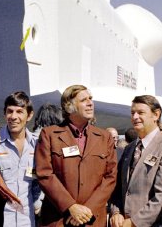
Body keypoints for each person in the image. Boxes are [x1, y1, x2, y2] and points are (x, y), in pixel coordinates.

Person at [36, 85, 117, 227]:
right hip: (59, 219)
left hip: (93, 219)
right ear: (69, 107)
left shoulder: (105, 137)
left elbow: (110, 177)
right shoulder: (50, 135)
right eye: (84, 100)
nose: (90, 103)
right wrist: (71, 207)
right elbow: (45, 174)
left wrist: (87, 211)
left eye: (91, 99)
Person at [110, 95, 162, 227]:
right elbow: (119, 187)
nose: (135, 117)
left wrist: (134, 222)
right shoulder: (129, 149)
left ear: (156, 115)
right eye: (132, 113)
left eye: (141, 112)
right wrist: (116, 212)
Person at [0, 91, 41, 226]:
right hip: (1, 220)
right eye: (10, 111)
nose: (13, 117)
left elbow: (41, 179)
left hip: (27, 220)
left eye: (19, 112)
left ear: (29, 115)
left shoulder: (37, 145)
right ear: (5, 113)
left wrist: (38, 204)